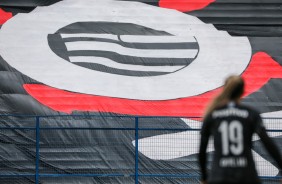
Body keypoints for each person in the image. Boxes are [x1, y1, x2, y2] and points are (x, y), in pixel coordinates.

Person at [198, 75, 282, 184]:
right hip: (246, 175)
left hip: (219, 176)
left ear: (225, 90)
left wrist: (204, 177)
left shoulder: (212, 115)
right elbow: (268, 143)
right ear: (243, 91)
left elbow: (202, 151)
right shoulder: (251, 114)